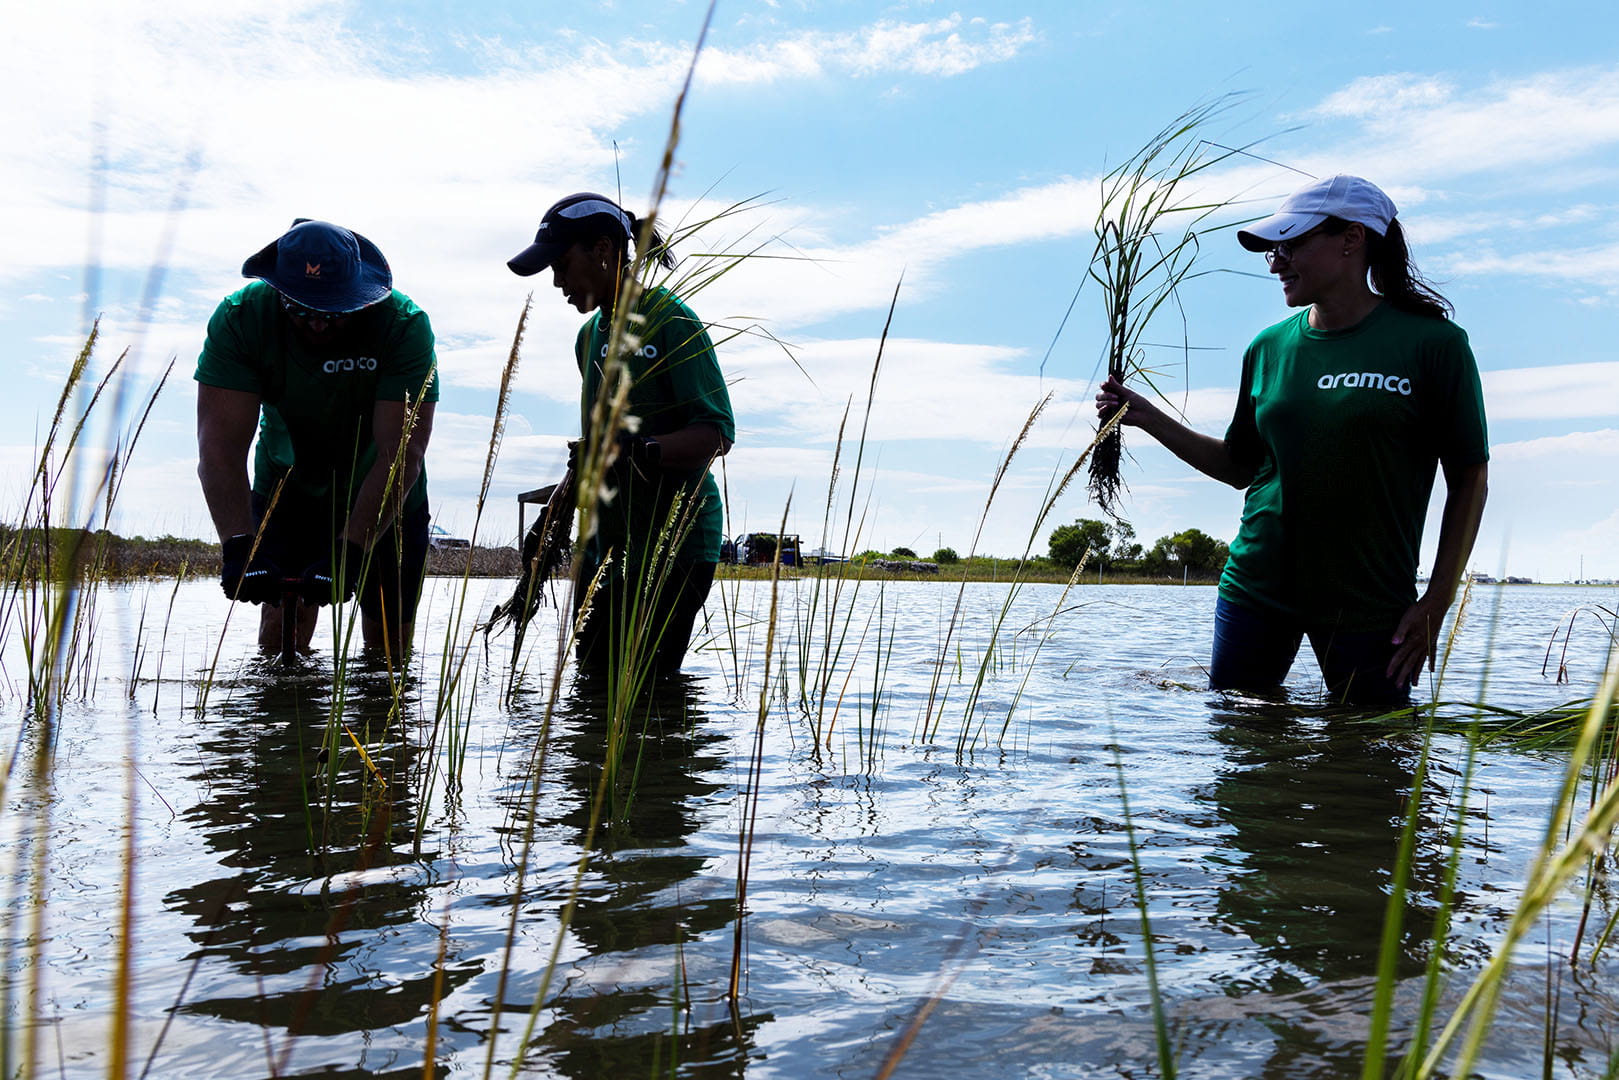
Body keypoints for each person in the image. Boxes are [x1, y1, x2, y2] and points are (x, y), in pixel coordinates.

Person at [1095, 175, 1488, 706]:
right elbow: (1241, 467)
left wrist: (1437, 600)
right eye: (1273, 248)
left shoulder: (1433, 345)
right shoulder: (1268, 347)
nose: (1275, 261)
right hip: (1256, 589)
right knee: (1244, 756)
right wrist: (1147, 417)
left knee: (1371, 766)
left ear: (1352, 239)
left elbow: (1468, 477)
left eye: (1292, 243)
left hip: (1371, 603)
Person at [507, 192, 734, 676]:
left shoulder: (671, 321)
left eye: (562, 264)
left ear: (604, 250)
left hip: (676, 544)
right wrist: (555, 513)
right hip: (607, 543)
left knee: (647, 691)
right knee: (590, 687)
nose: (557, 281)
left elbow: (716, 435)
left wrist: (642, 450)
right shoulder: (588, 338)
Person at [196, 219, 439, 656]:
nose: (318, 327)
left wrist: (352, 548)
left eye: (333, 312)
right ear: (278, 292)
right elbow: (220, 450)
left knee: (388, 656)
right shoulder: (240, 319)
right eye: (302, 311)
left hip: (384, 492)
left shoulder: (404, 326)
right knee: (279, 641)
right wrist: (238, 544)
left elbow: (400, 455)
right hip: (288, 490)